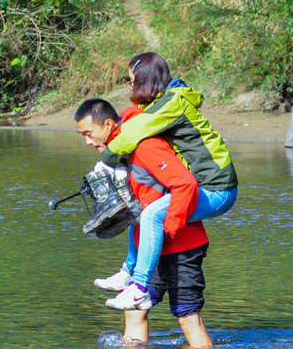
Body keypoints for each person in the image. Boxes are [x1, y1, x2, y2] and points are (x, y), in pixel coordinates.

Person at [94, 53, 238, 310]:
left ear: (145, 79)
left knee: (152, 214)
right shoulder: (163, 103)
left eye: (131, 80)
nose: (130, 86)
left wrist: (106, 160)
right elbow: (133, 119)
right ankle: (127, 273)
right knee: (138, 208)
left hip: (217, 189)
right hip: (206, 185)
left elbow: (131, 133)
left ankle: (138, 288)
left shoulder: (171, 104)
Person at [74, 98, 213, 349]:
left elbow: (185, 184)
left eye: (89, 133)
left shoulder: (146, 146)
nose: (87, 141)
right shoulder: (122, 153)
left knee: (188, 317)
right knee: (134, 310)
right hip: (152, 248)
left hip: (182, 243)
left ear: (108, 124)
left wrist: (169, 228)